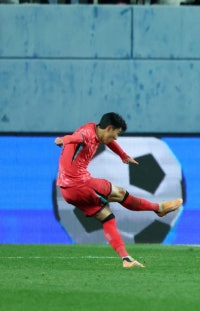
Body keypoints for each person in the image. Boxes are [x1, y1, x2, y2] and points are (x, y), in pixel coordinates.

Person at [55, 112, 183, 268]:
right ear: (109, 128)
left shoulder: (94, 129)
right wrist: (63, 140)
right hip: (79, 184)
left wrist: (122, 155)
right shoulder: (87, 135)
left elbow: (105, 141)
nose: (115, 138)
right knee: (120, 193)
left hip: (67, 191)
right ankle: (158, 208)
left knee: (107, 217)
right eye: (116, 134)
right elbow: (76, 138)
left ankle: (126, 259)